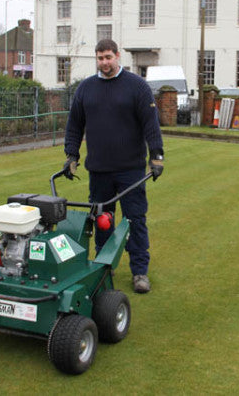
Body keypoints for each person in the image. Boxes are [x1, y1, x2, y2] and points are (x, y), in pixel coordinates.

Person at [63, 39, 164, 294]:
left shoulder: (137, 87)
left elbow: (150, 123)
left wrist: (156, 155)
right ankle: (104, 268)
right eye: (100, 58)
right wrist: (71, 155)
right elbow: (74, 125)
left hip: (130, 169)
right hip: (99, 169)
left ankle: (140, 271)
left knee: (135, 220)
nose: (105, 62)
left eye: (108, 57)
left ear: (118, 56)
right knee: (102, 220)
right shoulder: (86, 89)